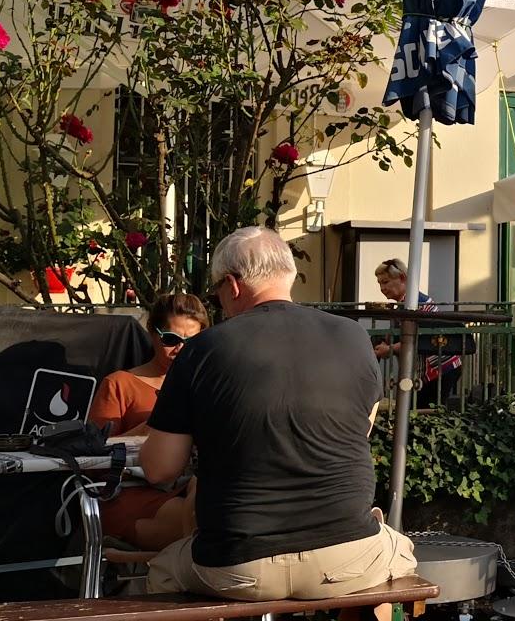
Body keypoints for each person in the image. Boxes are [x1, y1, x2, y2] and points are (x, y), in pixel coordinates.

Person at [141, 226, 416, 600]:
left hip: (238, 564)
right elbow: (360, 429)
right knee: (399, 552)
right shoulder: (354, 337)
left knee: (162, 571)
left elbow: (160, 469)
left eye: (218, 292)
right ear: (286, 273)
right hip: (346, 558)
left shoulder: (203, 350)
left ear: (233, 285)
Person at [88, 293, 209, 550]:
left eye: (193, 340)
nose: (181, 349)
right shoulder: (120, 384)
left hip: (190, 485)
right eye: (171, 339)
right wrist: (156, 423)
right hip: (130, 491)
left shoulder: (208, 384)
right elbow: (92, 455)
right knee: (205, 518)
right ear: (152, 335)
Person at [373, 258, 462, 409]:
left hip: (438, 370)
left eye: (386, 282)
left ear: (402, 278)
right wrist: (386, 343)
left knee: (424, 411)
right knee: (419, 410)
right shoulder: (406, 303)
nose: (382, 288)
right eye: (380, 283)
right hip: (433, 370)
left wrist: (388, 349)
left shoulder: (415, 304)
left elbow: (415, 340)